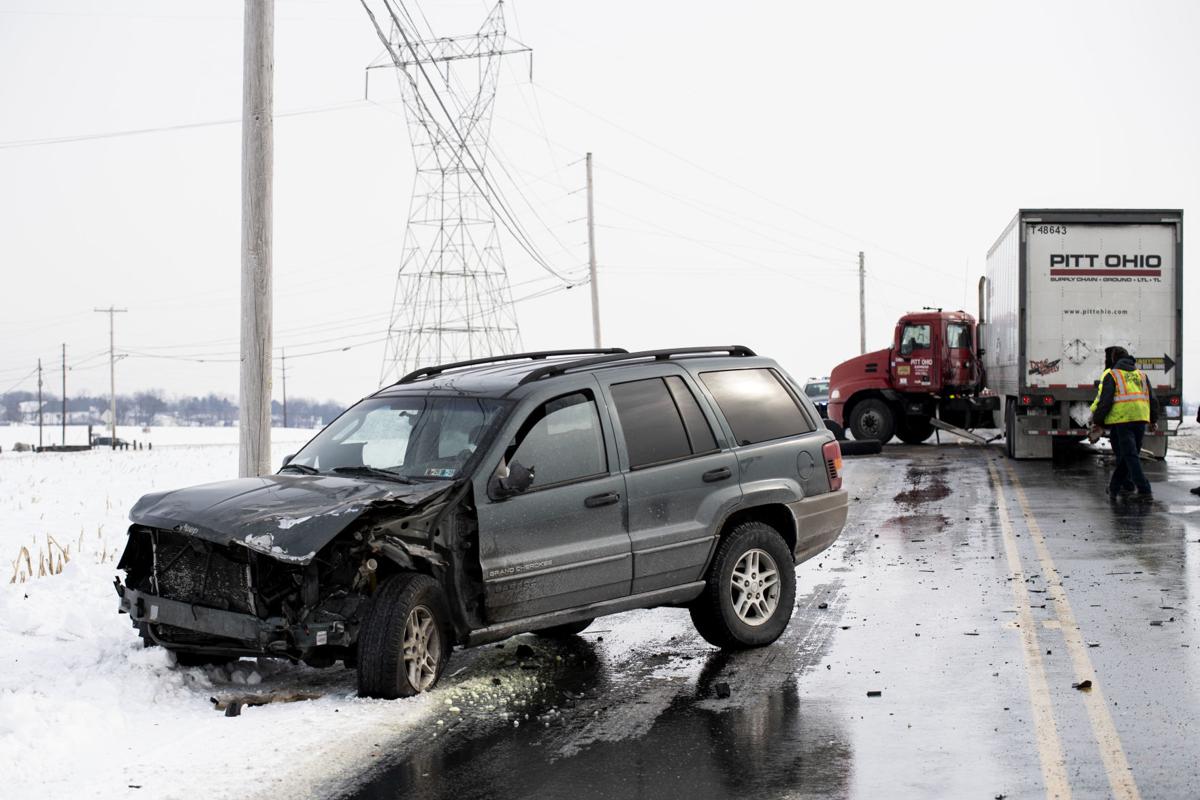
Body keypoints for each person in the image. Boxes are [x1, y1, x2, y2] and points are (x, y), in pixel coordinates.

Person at [1090, 346, 1156, 501]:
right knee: (1130, 456)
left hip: (1123, 420)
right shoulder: (1142, 375)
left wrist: (1098, 421)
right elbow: (1152, 399)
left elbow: (1105, 402)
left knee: (1130, 455)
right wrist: (1153, 419)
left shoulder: (1113, 376)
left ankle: (1144, 488)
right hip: (1140, 418)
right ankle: (1114, 487)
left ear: (1114, 359)